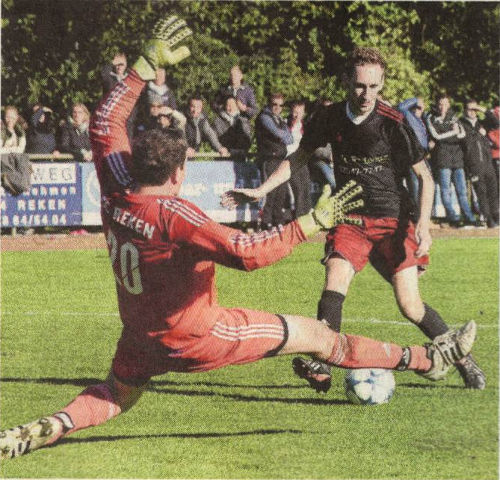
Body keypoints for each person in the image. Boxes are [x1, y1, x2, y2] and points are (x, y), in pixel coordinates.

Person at [0, 19, 477, 459]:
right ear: (180, 170)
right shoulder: (177, 216)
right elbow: (249, 253)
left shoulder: (115, 181)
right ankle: (426, 358)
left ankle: (52, 423)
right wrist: (311, 222)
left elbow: (105, 122)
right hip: (198, 334)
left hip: (137, 335)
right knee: (318, 336)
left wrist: (142, 68)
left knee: (116, 396)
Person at [222, 46, 485, 391]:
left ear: (382, 84)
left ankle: (463, 360)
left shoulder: (394, 123)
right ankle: (321, 364)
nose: (367, 94)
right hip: (351, 219)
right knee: (335, 280)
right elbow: (298, 157)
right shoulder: (329, 118)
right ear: (347, 80)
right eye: (361, 85)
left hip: (393, 222)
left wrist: (423, 224)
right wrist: (260, 191)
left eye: (374, 87)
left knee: (410, 305)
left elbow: (426, 178)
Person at [426, 94, 478, 228]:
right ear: (437, 105)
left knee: (462, 191)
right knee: (445, 190)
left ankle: (469, 217)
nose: (443, 106)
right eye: (440, 104)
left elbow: (462, 135)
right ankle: (453, 217)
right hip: (443, 159)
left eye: (445, 103)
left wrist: (448, 136)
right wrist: (451, 133)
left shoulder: (454, 117)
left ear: (449, 105)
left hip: (457, 159)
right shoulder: (431, 118)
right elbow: (436, 136)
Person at [255, 93, 294, 229]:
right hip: (269, 159)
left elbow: (290, 138)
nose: (277, 107)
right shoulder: (264, 117)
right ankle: (265, 223)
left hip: (280, 159)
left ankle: (278, 222)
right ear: (269, 104)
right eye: (274, 104)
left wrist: (284, 135)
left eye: (280, 105)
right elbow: (279, 134)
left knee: (281, 193)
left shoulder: (279, 120)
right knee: (269, 193)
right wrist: (284, 135)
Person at [459, 100, 499, 228]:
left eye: (474, 109)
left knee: (493, 191)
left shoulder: (481, 123)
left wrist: (481, 109)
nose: (472, 112)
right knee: (481, 193)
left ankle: (496, 216)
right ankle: (489, 220)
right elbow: (464, 141)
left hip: (487, 162)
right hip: (474, 164)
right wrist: (477, 135)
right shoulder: (461, 124)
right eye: (470, 109)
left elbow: (496, 122)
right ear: (465, 110)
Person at [397, 97, 431, 210]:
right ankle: (416, 215)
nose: (418, 110)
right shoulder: (409, 117)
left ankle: (425, 215)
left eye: (420, 108)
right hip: (413, 154)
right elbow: (401, 107)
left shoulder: (423, 120)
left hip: (423, 155)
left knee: (427, 184)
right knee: (415, 186)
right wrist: (416, 99)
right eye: (416, 108)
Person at [286, 100, 312, 218]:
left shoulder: (306, 126)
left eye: (299, 113)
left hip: (302, 160)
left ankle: (306, 217)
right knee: (298, 189)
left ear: (303, 113)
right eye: (294, 112)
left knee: (306, 188)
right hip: (289, 160)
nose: (296, 115)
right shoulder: (285, 124)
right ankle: (299, 218)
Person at [213, 95, 252, 160]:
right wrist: (220, 148)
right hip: (222, 157)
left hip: (240, 157)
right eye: (228, 105)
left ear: (237, 106)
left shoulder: (244, 120)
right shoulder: (217, 121)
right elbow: (213, 138)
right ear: (224, 106)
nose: (231, 108)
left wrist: (241, 149)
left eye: (233, 105)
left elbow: (247, 137)